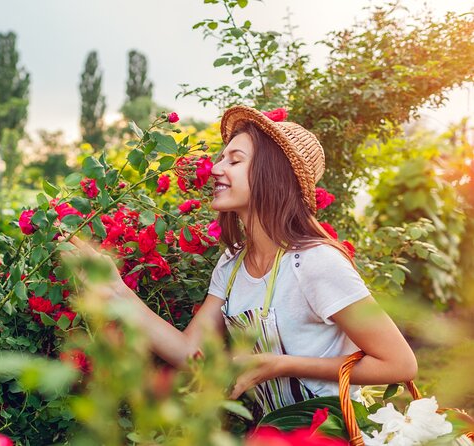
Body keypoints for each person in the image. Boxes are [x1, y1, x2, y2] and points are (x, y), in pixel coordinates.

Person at [63, 105, 417, 418]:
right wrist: (115, 289)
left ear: (272, 174)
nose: (216, 168)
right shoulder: (231, 266)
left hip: (332, 432)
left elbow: (399, 363)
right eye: (222, 158)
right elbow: (190, 353)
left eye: (234, 160)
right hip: (277, 434)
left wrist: (281, 365)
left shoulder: (316, 264)